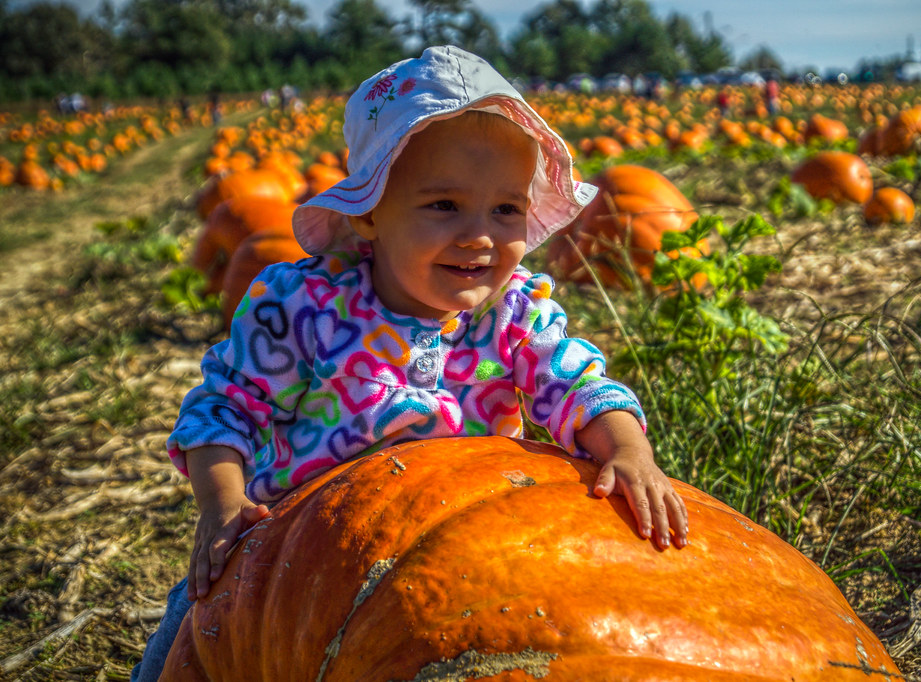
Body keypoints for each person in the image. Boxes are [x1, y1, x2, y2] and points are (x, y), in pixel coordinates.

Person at [132, 45, 688, 680]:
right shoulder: (306, 307)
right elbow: (225, 408)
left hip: (466, 557)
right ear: (369, 212)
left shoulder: (513, 317)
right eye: (444, 205)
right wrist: (223, 506)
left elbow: (574, 386)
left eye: (506, 209)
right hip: (289, 562)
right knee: (189, 640)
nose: (480, 235)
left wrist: (625, 450)